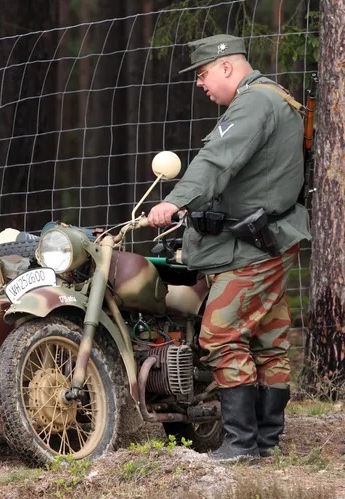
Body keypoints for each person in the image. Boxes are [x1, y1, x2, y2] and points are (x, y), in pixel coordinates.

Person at [147, 34, 311, 461]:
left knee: (219, 335)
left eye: (202, 75)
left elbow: (217, 159)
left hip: (254, 248)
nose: (200, 85)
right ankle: (264, 443)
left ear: (226, 67)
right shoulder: (276, 96)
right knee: (270, 340)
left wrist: (174, 201)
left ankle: (240, 445)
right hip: (268, 240)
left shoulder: (253, 103)